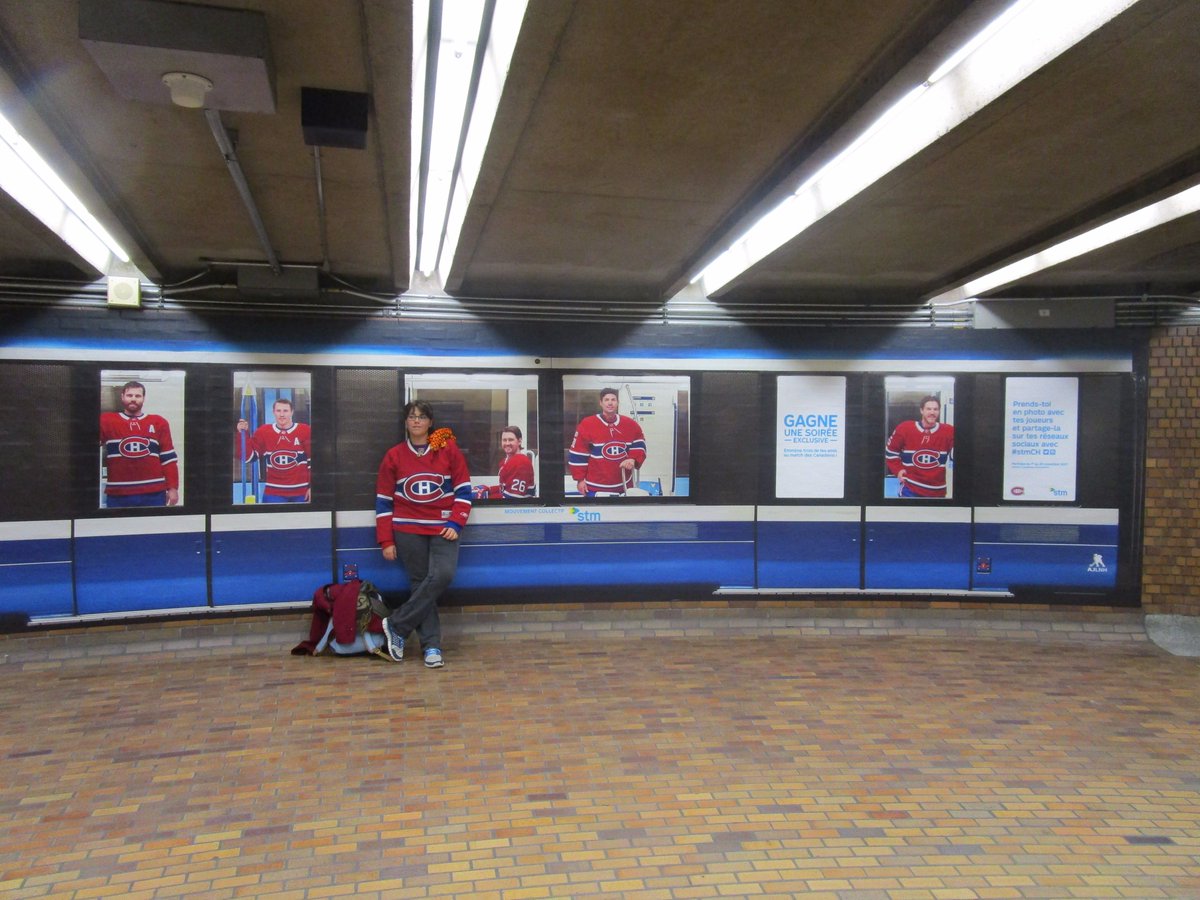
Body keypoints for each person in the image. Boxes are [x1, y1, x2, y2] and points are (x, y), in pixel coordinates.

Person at [374, 400, 472, 668]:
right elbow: (383, 501)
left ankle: (396, 624)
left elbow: (464, 492)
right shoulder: (394, 455)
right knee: (420, 584)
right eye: (411, 417)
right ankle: (431, 648)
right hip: (406, 529)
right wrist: (386, 539)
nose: (416, 421)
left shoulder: (448, 450)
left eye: (421, 417)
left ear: (430, 422)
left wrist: (455, 523)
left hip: (443, 527)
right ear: (406, 422)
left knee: (442, 575)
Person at [99, 380, 179, 508]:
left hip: (154, 493)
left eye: (138, 396)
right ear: (122, 397)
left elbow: (168, 459)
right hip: (118, 493)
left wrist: (172, 488)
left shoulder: (159, 422)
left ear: (143, 398)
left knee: (154, 527)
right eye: (129, 395)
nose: (133, 399)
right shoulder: (106, 420)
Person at [568, 387, 647, 496]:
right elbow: (578, 453)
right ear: (601, 403)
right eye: (606, 400)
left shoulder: (630, 424)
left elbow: (639, 445)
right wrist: (580, 480)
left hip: (624, 486)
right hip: (594, 488)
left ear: (618, 403)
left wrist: (632, 459)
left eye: (613, 400)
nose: (610, 403)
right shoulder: (587, 424)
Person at [236, 397, 312, 503]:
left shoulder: (305, 430)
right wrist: (242, 434)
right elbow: (249, 457)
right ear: (273, 412)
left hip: (301, 492)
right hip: (274, 492)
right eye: (278, 411)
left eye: (285, 411)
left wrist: (312, 486)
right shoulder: (264, 431)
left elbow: (313, 461)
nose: (282, 414)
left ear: (292, 412)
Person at [884, 394, 955, 498]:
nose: (932, 412)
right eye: (928, 409)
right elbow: (890, 452)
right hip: (910, 489)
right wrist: (898, 470)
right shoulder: (905, 428)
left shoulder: (949, 431)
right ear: (921, 410)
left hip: (937, 491)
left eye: (935, 409)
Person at [474, 425, 536, 499]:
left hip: (518, 508)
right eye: (504, 440)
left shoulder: (521, 462)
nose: (507, 443)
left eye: (510, 440)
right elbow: (505, 488)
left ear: (519, 441)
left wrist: (485, 496)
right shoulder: (506, 461)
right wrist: (489, 490)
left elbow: (512, 498)